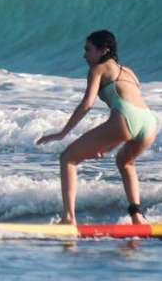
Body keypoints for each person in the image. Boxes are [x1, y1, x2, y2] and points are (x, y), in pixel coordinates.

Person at [37, 30, 157, 225]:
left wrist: (62, 133)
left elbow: (87, 104)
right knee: (125, 162)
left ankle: (68, 218)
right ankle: (137, 216)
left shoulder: (98, 69)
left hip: (127, 118)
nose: (84, 55)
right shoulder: (129, 71)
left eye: (88, 49)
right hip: (150, 122)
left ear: (104, 50)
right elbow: (133, 104)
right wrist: (109, 146)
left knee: (67, 158)